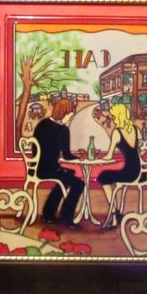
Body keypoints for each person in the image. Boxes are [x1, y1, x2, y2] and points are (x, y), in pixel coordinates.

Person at [34, 97, 85, 229]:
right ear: (65, 113)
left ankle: (48, 213)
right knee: (79, 184)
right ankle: (66, 217)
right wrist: (80, 158)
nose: (71, 117)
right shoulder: (63, 130)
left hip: (37, 169)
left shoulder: (42, 124)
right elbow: (67, 156)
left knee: (67, 175)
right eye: (71, 114)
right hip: (50, 170)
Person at [97, 102, 141, 227]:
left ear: (118, 116)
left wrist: (99, 160)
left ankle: (115, 212)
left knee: (103, 176)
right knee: (107, 176)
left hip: (128, 173)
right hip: (138, 170)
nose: (112, 118)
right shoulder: (136, 130)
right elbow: (142, 151)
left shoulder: (117, 132)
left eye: (114, 116)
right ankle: (116, 213)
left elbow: (109, 156)